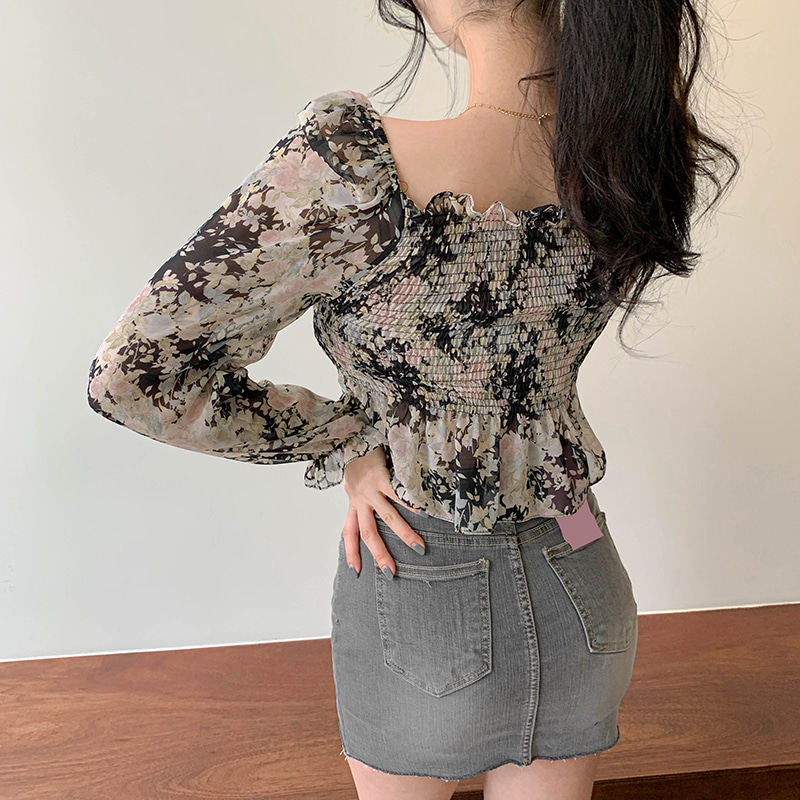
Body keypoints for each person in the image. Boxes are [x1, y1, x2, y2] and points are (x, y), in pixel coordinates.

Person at [86, 1, 739, 798]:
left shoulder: (353, 168)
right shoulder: (628, 168)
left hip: (420, 580)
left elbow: (133, 374)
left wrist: (345, 440)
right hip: (583, 563)